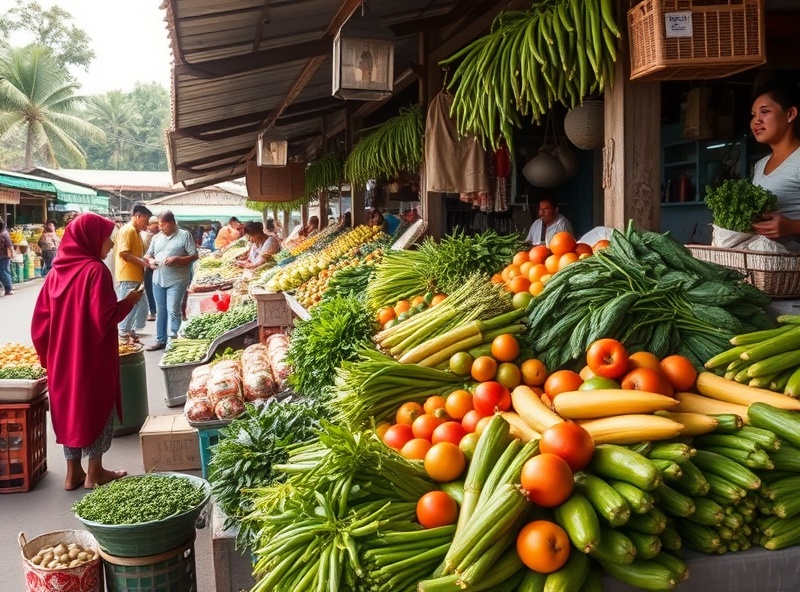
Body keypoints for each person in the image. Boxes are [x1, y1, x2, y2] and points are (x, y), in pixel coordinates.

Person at [31, 212, 141, 490]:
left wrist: (47, 357)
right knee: (96, 407)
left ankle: (73, 474)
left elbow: (40, 323)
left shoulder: (56, 273)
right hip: (91, 357)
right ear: (90, 239)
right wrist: (128, 301)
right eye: (107, 239)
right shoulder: (95, 271)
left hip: (60, 357)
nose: (112, 244)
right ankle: (95, 472)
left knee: (69, 410)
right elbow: (105, 317)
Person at [750, 80, 800, 245]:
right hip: (765, 264)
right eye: (753, 114)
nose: (756, 121)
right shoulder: (759, 166)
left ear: (790, 114)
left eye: (764, 111)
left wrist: (792, 226)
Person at [144, 211, 198, 351]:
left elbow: (194, 255)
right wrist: (150, 261)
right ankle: (160, 339)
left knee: (173, 309)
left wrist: (178, 260)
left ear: (172, 222)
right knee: (161, 310)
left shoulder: (185, 236)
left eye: (163, 225)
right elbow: (148, 254)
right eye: (159, 225)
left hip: (177, 280)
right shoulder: (156, 238)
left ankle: (173, 340)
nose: (160, 228)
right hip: (158, 279)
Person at [115, 205, 154, 343]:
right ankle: (123, 333)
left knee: (138, 305)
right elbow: (124, 254)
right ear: (138, 216)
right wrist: (145, 263)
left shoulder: (136, 232)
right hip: (128, 275)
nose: (147, 224)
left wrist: (145, 260)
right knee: (129, 306)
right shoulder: (128, 230)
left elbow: (135, 254)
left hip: (135, 276)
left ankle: (128, 330)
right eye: (146, 220)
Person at [140, 215, 160, 321]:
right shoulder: (145, 236)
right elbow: (144, 253)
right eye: (154, 225)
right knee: (150, 289)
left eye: (158, 224)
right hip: (148, 265)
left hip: (160, 265)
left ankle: (158, 311)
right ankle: (152, 311)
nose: (156, 227)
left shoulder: (161, 236)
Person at [0, 219, 13, 296]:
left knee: (4, 272)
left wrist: (12, 254)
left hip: (4, 256)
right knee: (3, 272)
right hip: (3, 256)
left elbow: (10, 245)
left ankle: (8, 289)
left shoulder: (4, 234)